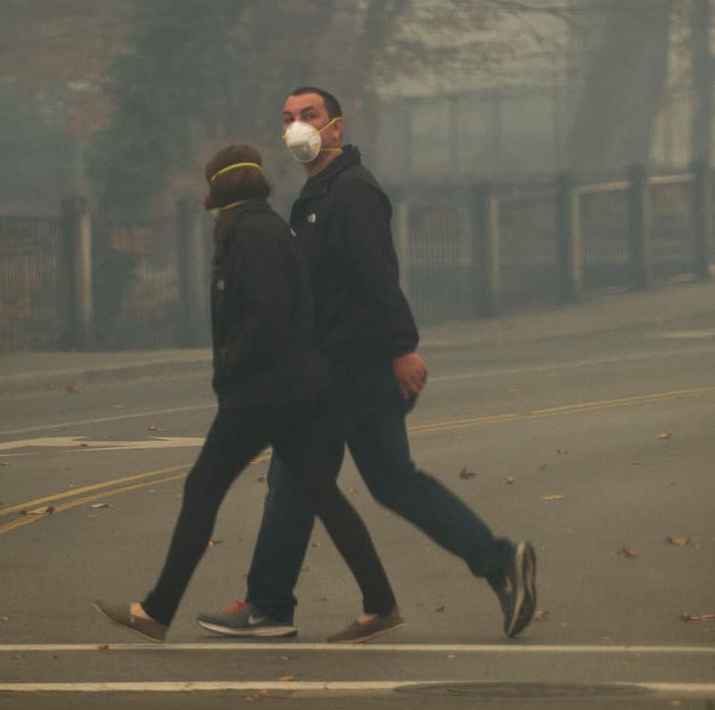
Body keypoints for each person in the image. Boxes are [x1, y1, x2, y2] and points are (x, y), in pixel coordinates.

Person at [196, 87, 536, 641]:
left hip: (347, 366)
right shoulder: (319, 194)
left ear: (336, 127)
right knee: (392, 482)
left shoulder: (350, 191)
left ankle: (269, 605)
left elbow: (377, 274)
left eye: (310, 115)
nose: (298, 126)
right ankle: (498, 563)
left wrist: (402, 348)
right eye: (288, 118)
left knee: (294, 479)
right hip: (351, 367)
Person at [94, 143, 402, 644]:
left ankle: (156, 610)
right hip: (289, 392)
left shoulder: (252, 234)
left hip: (262, 394)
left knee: (203, 489)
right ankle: (381, 602)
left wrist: (233, 364)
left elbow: (268, 312)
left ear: (219, 188)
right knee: (323, 496)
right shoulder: (262, 226)